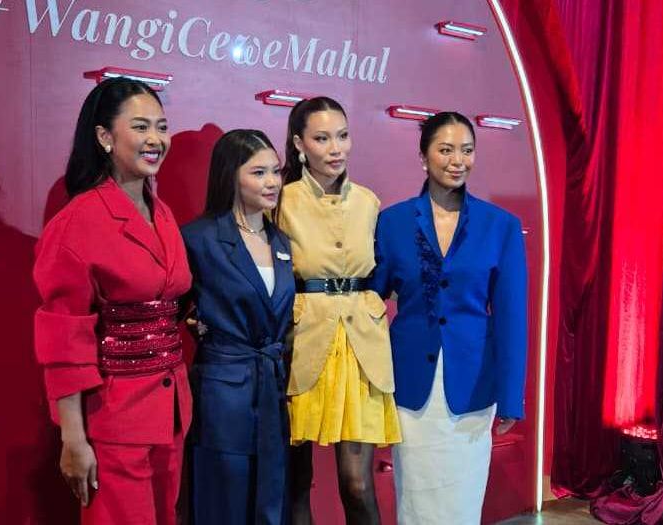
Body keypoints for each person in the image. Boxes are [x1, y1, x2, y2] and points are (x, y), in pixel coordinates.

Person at [33, 77, 192, 524]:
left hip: (170, 413)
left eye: (161, 127)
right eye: (140, 127)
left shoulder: (162, 212)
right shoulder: (76, 222)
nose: (155, 139)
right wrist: (73, 439)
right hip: (114, 418)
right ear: (105, 136)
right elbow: (64, 342)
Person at [370, 111, 528, 524]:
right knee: (415, 497)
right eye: (445, 150)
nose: (458, 160)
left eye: (467, 150)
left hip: (473, 384)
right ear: (423, 156)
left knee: (462, 500)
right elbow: (370, 298)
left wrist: (511, 396)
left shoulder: (500, 227)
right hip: (410, 383)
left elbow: (512, 319)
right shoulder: (392, 222)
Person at [278, 97, 401, 525]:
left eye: (343, 136)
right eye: (322, 138)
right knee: (296, 483)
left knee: (358, 483)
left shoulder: (368, 202)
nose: (336, 148)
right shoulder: (281, 200)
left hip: (360, 347)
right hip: (302, 343)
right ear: (299, 144)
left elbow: (384, 271)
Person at [181, 130, 295, 525]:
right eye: (258, 172)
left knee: (271, 502)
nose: (272, 182)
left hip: (272, 391)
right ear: (231, 175)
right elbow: (172, 308)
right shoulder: (199, 238)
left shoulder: (281, 241)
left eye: (275, 171)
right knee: (223, 503)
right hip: (223, 393)